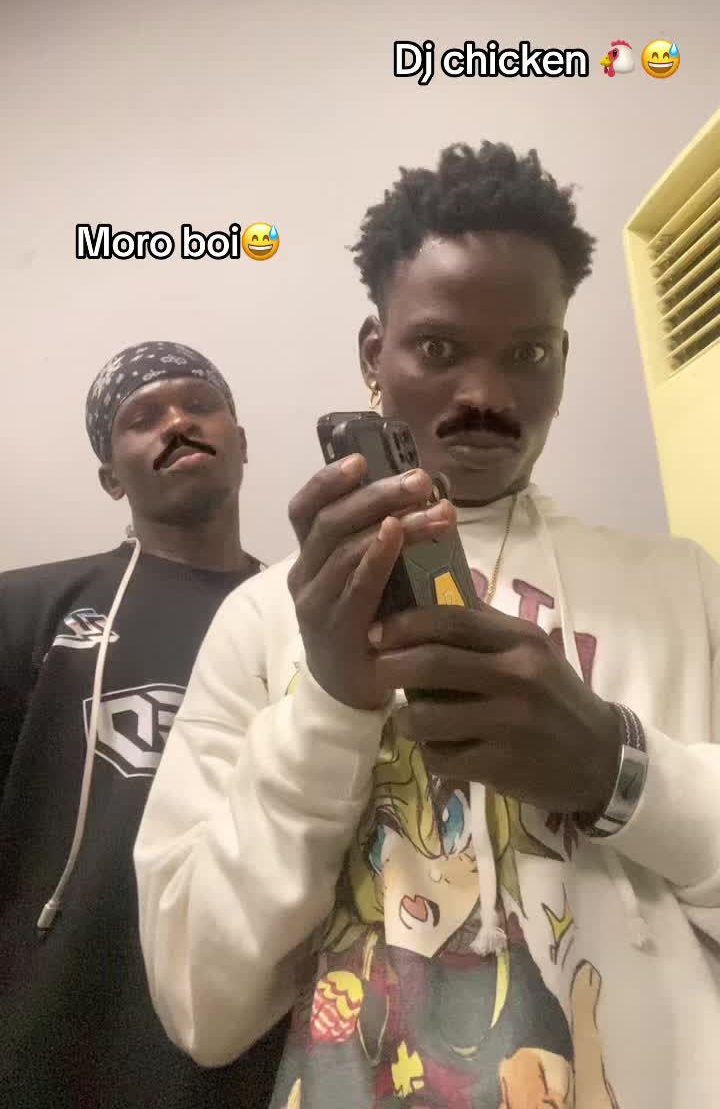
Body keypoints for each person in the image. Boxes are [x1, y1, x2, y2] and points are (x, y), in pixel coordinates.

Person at [134, 150, 720, 1107]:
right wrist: (328, 706)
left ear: (564, 361)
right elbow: (201, 1008)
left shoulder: (683, 586)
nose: (488, 394)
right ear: (375, 354)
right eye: (441, 350)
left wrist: (615, 769)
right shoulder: (262, 615)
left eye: (529, 354)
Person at [0, 341, 288, 1108]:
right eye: (142, 418)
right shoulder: (28, 612)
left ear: (241, 441)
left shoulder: (306, 621)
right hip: (51, 1041)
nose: (177, 423)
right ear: (110, 477)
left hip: (257, 1056)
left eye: (199, 404)